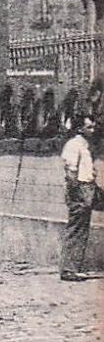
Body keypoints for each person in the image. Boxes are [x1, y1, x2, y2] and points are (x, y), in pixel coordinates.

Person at [60, 112, 97, 281]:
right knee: (77, 229)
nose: (93, 129)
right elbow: (71, 172)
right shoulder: (74, 145)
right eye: (89, 126)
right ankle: (69, 270)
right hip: (80, 190)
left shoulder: (85, 145)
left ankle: (72, 268)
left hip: (90, 188)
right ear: (80, 128)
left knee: (80, 227)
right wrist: (77, 196)